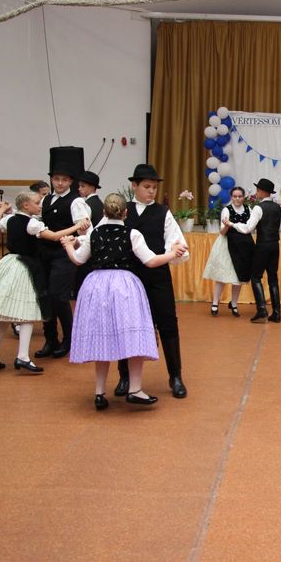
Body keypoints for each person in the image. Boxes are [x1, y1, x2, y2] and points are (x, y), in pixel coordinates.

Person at [62, 194, 188, 410]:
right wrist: (172, 254)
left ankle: (100, 393)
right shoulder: (132, 233)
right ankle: (135, 389)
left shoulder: (94, 233)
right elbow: (150, 261)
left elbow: (78, 259)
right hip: (124, 286)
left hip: (96, 286)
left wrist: (67, 245)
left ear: (104, 212)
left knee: (103, 336)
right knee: (132, 333)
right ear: (125, 213)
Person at [0, 191, 83, 374]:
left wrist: (3, 210)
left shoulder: (11, 220)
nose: (40, 205)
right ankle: (22, 357)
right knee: (27, 313)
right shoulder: (31, 224)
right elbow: (55, 236)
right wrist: (76, 226)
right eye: (37, 203)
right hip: (25, 266)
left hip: (9, 263)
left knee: (4, 315)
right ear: (26, 205)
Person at [115, 164, 190, 399]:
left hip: (157, 277)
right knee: (126, 326)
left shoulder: (163, 213)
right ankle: (124, 376)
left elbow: (176, 243)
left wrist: (176, 251)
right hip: (127, 278)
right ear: (134, 186)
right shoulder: (122, 211)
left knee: (167, 323)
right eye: (146, 186)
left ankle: (175, 376)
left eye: (154, 187)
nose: (151, 191)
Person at [35, 147, 91, 360]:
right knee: (45, 297)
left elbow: (84, 228)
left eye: (64, 180)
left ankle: (69, 338)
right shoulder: (46, 200)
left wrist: (75, 241)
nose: (60, 183)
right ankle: (51, 339)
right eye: (56, 179)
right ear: (51, 180)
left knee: (59, 297)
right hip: (44, 254)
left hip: (63, 255)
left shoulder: (76, 201)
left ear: (71, 182)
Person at [226, 178, 281, 323]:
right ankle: (276, 313)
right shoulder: (277, 207)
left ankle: (262, 310)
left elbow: (247, 228)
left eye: (258, 190)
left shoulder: (259, 208)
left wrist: (232, 224)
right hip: (275, 245)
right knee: (273, 278)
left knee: (256, 277)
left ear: (263, 192)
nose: (257, 193)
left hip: (263, 245)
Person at [202, 186, 253, 317]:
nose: (237, 198)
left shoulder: (249, 209)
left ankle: (234, 303)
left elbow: (250, 228)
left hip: (243, 246)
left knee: (239, 277)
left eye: (240, 196)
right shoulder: (227, 210)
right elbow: (222, 232)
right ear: (231, 197)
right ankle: (215, 302)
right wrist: (226, 225)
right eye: (235, 196)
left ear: (243, 197)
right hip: (227, 245)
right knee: (222, 276)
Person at [73, 170, 103, 295]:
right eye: (79, 186)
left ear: (92, 187)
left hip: (88, 247)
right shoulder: (101, 204)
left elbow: (82, 230)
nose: (79, 189)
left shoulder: (85, 205)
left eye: (83, 186)